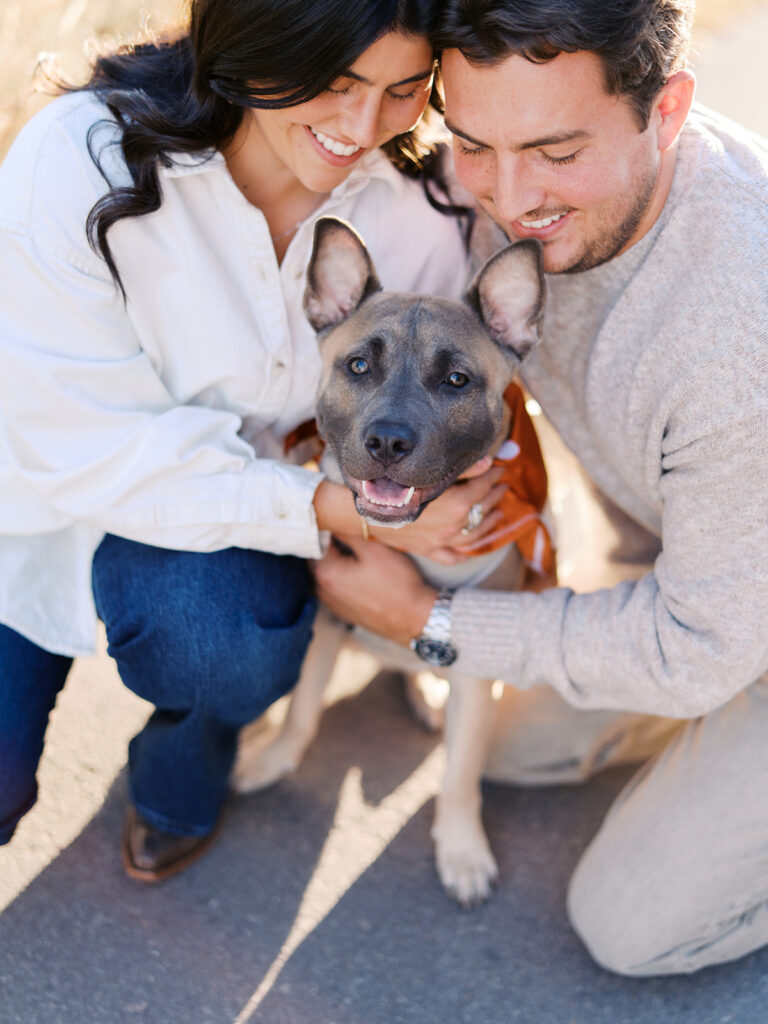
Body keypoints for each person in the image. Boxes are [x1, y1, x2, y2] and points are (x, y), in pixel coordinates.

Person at [313, 0, 768, 976]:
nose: (509, 197)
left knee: (632, 924)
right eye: (474, 142)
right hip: (722, 572)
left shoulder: (739, 334)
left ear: (670, 108)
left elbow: (698, 649)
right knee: (506, 745)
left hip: (727, 617)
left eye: (557, 151)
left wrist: (429, 618)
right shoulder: (490, 193)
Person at [0, 0, 503, 882]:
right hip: (32, 516)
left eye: (400, 90)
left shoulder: (425, 209)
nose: (359, 126)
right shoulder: (77, 155)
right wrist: (337, 507)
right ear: (251, 39)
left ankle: (178, 773)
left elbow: (450, 378)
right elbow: (71, 441)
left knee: (223, 637)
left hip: (223, 544)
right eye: (333, 80)